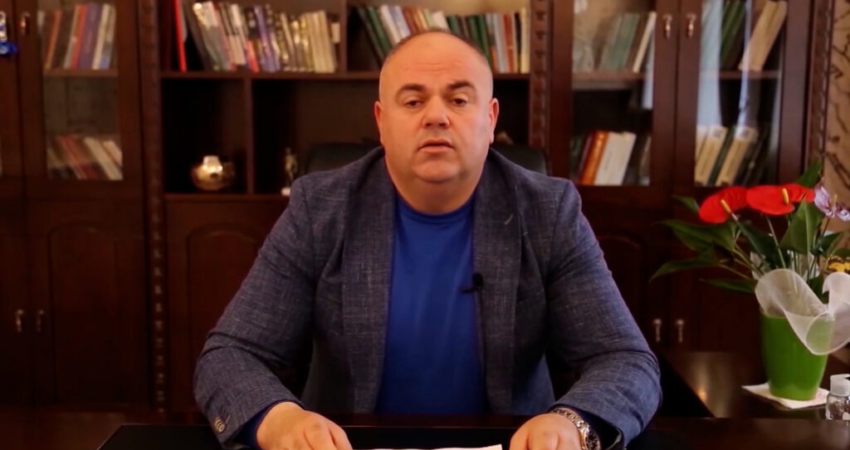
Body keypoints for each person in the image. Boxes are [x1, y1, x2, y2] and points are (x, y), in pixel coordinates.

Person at [194, 29, 661, 450]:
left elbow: (625, 360)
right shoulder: (320, 209)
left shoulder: (547, 211)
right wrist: (278, 420)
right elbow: (230, 354)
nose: (436, 116)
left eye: (458, 99)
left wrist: (571, 424)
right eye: (413, 101)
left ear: (490, 118)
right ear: (381, 121)